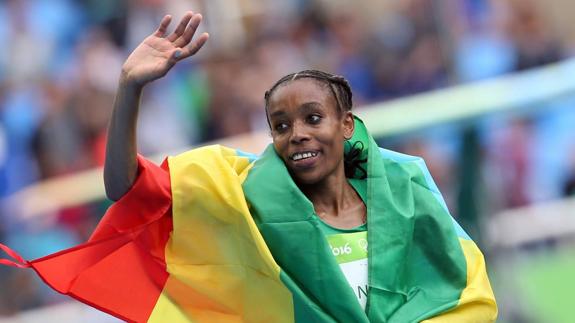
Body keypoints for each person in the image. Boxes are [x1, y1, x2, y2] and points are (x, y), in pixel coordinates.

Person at [1, 11, 497, 322]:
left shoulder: (405, 188)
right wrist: (129, 89)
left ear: (347, 125)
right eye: (280, 126)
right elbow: (124, 189)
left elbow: (461, 292)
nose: (296, 133)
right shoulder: (241, 193)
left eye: (313, 118)